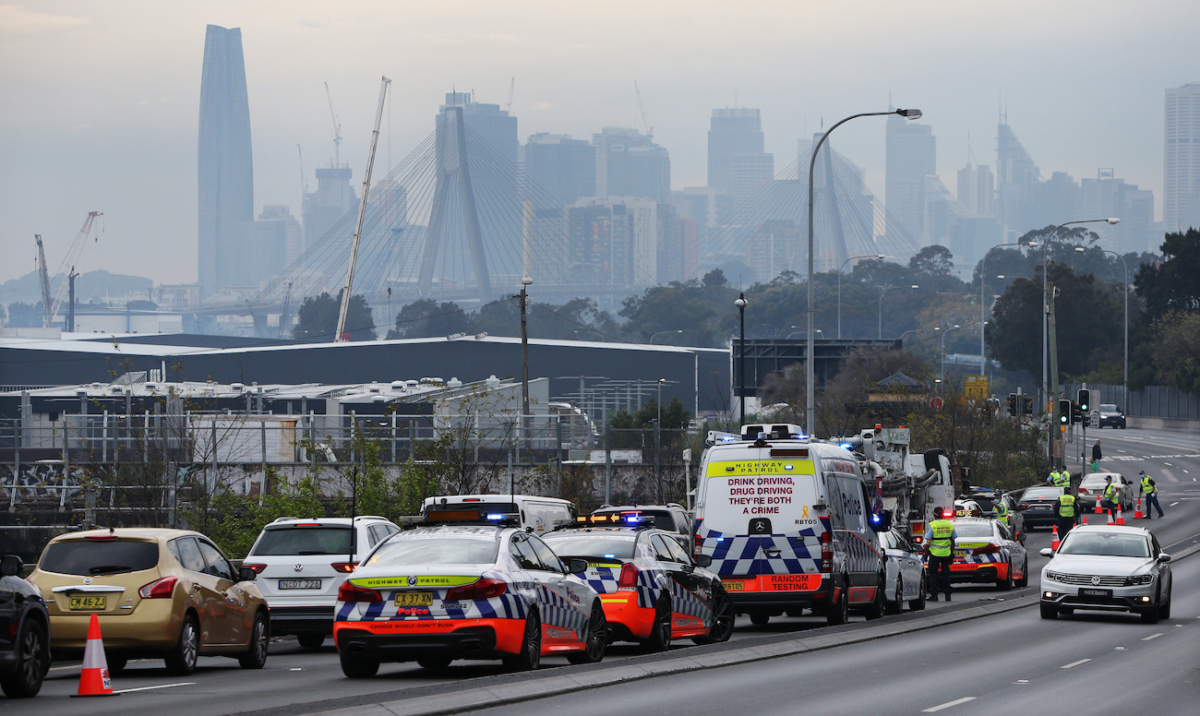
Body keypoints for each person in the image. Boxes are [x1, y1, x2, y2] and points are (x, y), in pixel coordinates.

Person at [923, 507, 956, 602]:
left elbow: (928, 542)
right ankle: (947, 595)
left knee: (933, 574)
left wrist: (926, 554)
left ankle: (934, 595)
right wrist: (952, 552)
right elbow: (953, 541)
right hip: (946, 553)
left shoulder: (932, 525)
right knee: (946, 574)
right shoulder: (949, 525)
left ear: (934, 515)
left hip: (934, 554)